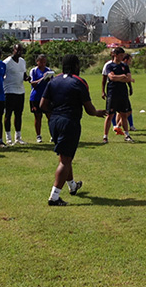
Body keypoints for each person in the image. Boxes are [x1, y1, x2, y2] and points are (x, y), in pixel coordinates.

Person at [40, 54, 106, 206]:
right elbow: (89, 109)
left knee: (65, 156)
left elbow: (42, 104)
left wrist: (53, 115)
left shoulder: (53, 80)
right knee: (65, 160)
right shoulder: (79, 82)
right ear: (76, 65)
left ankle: (72, 186)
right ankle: (54, 197)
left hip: (54, 122)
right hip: (69, 122)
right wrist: (97, 113)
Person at [102, 47, 135, 143]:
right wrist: (122, 76)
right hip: (112, 93)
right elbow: (111, 77)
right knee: (110, 115)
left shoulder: (125, 66)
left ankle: (127, 135)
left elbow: (129, 78)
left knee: (124, 114)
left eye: (123, 56)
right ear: (115, 55)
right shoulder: (110, 66)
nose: (122, 57)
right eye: (120, 55)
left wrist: (121, 78)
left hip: (123, 93)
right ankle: (105, 137)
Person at [3, 44, 30, 145]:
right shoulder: (7, 62)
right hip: (9, 91)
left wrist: (28, 78)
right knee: (8, 114)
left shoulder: (22, 61)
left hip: (20, 91)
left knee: (18, 115)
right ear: (13, 50)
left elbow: (24, 75)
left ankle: (18, 137)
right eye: (17, 50)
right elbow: (2, 76)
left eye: (21, 51)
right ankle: (8, 137)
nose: (19, 52)